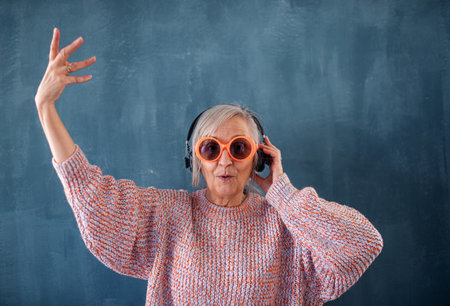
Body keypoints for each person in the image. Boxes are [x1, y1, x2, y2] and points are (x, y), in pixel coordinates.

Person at [36, 28, 383, 305]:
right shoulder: (169, 214)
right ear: (196, 159)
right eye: (211, 148)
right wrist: (46, 109)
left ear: (259, 157)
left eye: (240, 147)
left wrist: (285, 196)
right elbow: (95, 199)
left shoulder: (289, 225)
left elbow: (363, 244)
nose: (226, 159)